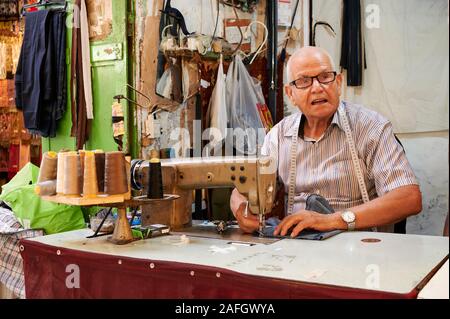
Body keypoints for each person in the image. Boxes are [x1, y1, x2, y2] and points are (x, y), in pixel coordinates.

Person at [230, 46, 422, 237]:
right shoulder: (278, 136)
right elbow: (244, 189)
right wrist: (242, 209)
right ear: (290, 94)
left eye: (325, 77)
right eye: (304, 81)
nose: (317, 88)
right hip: (301, 251)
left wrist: (332, 221)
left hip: (361, 252)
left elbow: (408, 198)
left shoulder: (371, 128)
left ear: (338, 83)